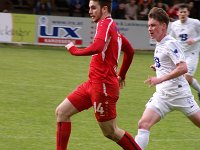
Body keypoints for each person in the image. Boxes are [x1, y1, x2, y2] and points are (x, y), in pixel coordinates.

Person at [55, 0, 141, 150]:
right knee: (61, 112)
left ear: (105, 9)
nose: (90, 11)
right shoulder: (112, 27)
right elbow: (130, 51)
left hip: (103, 87)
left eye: (94, 8)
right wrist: (122, 75)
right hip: (92, 83)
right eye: (89, 8)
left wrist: (75, 51)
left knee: (111, 132)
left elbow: (98, 46)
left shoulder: (104, 24)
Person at [135, 7, 200, 150]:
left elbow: (183, 68)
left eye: (153, 25)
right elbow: (169, 62)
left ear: (163, 26)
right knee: (143, 124)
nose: (149, 29)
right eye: (149, 26)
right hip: (163, 96)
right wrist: (157, 66)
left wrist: (160, 79)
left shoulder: (170, 42)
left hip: (180, 94)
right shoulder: (160, 42)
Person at [169, 4, 200, 101]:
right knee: (185, 78)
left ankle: (184, 99)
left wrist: (194, 40)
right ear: (177, 13)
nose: (183, 14)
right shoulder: (174, 25)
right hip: (180, 55)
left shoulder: (195, 23)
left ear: (188, 13)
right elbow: (171, 38)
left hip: (192, 53)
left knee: (186, 77)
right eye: (181, 12)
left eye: (185, 12)